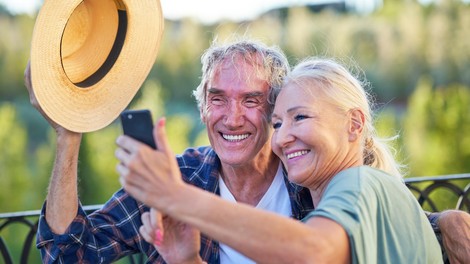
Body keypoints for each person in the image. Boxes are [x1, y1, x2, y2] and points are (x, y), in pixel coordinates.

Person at [26, 38, 468, 263]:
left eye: (252, 102)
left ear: (275, 110)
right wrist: (69, 136)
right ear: (202, 108)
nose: (232, 117)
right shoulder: (175, 177)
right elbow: (68, 253)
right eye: (217, 98)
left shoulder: (306, 176)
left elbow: (352, 226)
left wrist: (441, 221)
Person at [119, 57, 444, 263]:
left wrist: (176, 197)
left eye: (300, 117)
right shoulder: (352, 196)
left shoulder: (357, 182)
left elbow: (311, 253)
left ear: (354, 124)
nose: (282, 137)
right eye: (277, 123)